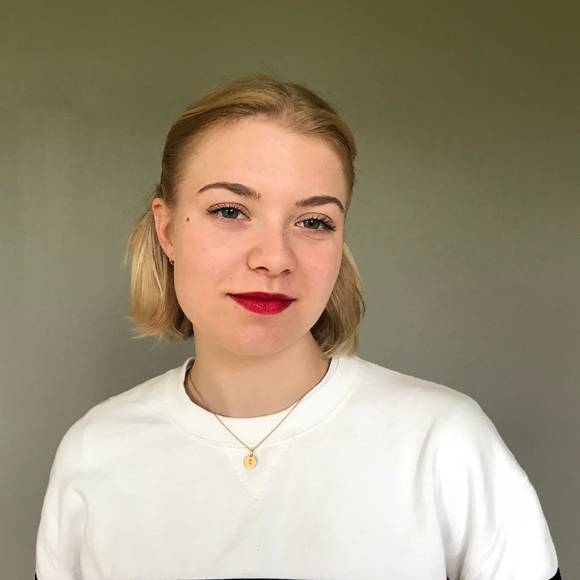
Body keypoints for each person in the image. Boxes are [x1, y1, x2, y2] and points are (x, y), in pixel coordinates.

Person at [35, 74, 562, 580]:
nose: (274, 258)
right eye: (230, 211)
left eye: (313, 222)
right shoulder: (95, 452)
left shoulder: (444, 442)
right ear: (167, 229)